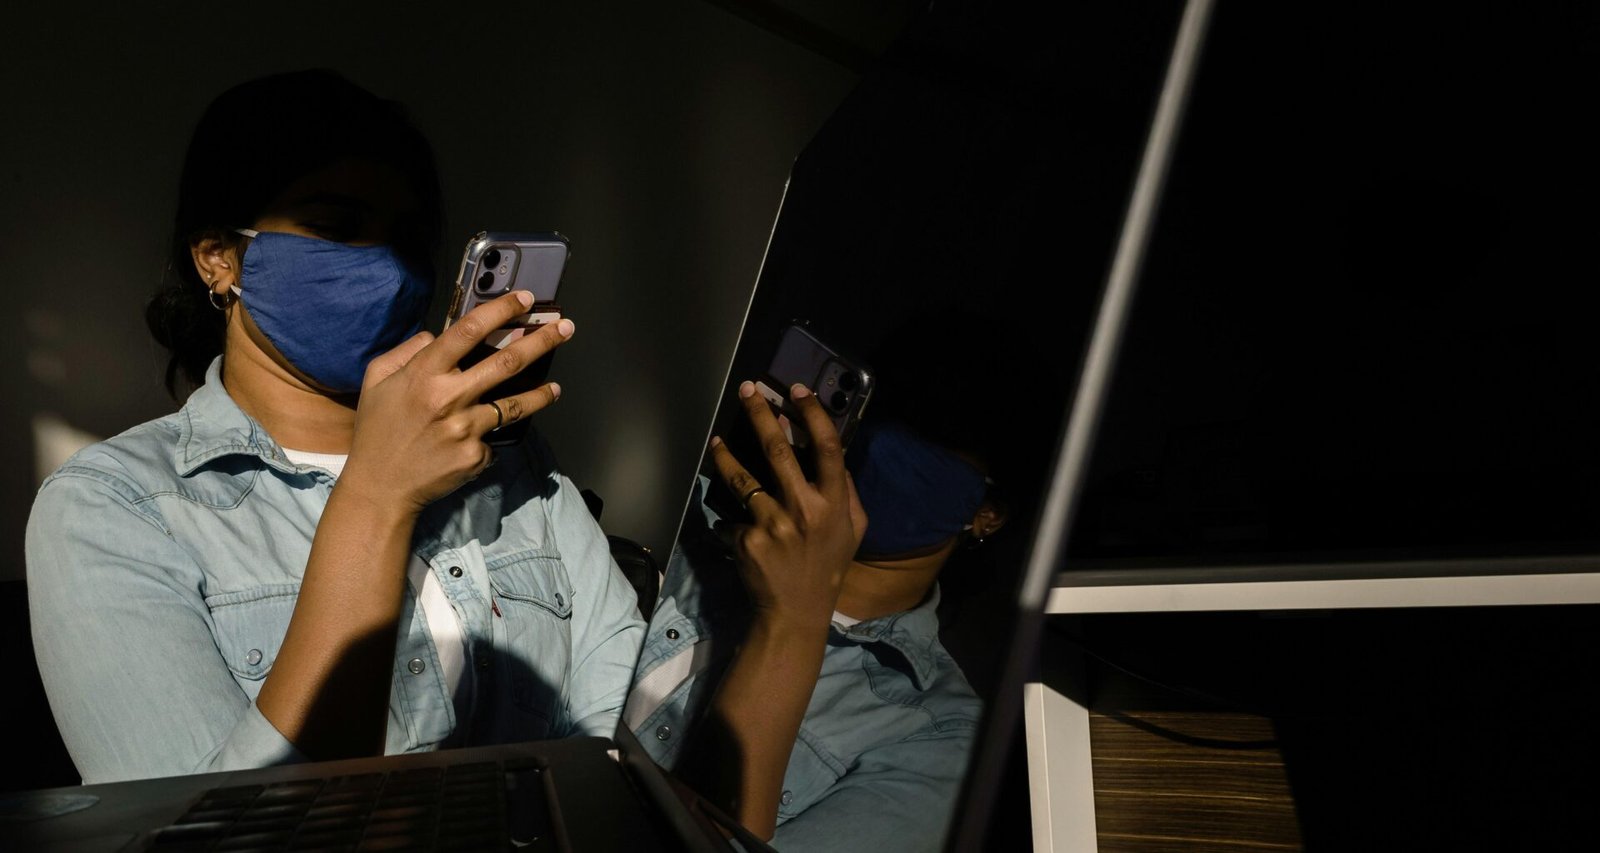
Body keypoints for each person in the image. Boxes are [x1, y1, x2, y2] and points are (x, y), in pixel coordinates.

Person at [25, 69, 645, 785]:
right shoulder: (112, 506)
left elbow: (623, 741)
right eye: (337, 228)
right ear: (217, 257)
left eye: (406, 239)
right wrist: (377, 495)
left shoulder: (504, 457)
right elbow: (202, 826)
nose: (384, 268)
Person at [625, 311, 1043, 851]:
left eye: (939, 432)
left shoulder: (939, 737)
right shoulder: (687, 519)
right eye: (890, 403)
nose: (891, 437)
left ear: (988, 513)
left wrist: (794, 617)